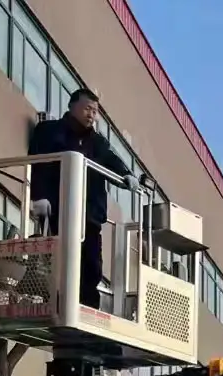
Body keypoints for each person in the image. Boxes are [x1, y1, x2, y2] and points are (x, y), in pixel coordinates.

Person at [28, 87, 139, 310]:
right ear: (72, 106)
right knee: (60, 261)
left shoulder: (97, 142)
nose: (91, 115)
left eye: (95, 111)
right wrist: (38, 196)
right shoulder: (49, 131)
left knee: (91, 267)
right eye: (87, 108)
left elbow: (112, 160)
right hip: (58, 209)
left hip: (89, 215)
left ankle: (87, 310)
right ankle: (59, 303)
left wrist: (127, 174)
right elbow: (37, 163)